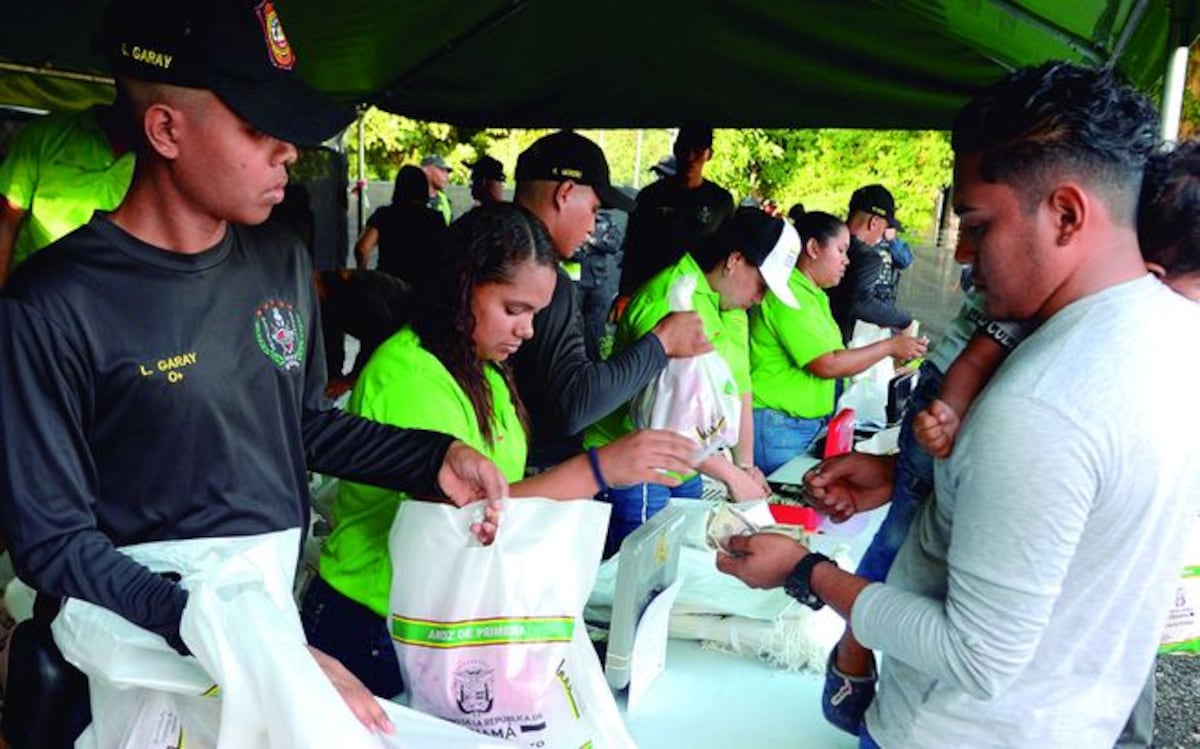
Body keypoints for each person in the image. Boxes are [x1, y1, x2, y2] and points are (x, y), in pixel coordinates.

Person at [0, 1, 507, 743]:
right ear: (166, 129)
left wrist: (432, 458)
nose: (289, 154)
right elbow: (51, 539)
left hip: (263, 617)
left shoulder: (278, 260)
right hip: (131, 653)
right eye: (257, 128)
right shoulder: (54, 302)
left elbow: (300, 423)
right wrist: (228, 636)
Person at [718, 62, 1200, 748]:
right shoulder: (1177, 335)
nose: (966, 254)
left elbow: (976, 655)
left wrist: (803, 570)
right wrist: (918, 475)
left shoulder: (1043, 402)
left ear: (1066, 213)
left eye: (977, 223)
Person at [302, 203, 699, 697]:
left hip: (441, 613)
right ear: (462, 287)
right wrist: (599, 469)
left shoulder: (483, 368)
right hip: (374, 624)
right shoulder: (408, 372)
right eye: (514, 310)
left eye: (535, 313)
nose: (528, 330)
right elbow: (461, 518)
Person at [587, 209, 800, 555]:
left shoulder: (731, 308)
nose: (761, 299)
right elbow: (668, 423)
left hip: (688, 463)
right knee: (638, 574)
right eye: (762, 286)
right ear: (734, 260)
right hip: (635, 461)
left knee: (684, 560)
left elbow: (740, 389)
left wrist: (744, 466)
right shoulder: (672, 298)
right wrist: (731, 476)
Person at [509, 130, 712, 469]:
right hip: (528, 470)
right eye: (594, 209)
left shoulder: (480, 247)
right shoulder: (541, 281)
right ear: (565, 193)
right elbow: (575, 405)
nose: (592, 227)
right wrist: (661, 343)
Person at [748, 211, 926, 475]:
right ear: (813, 248)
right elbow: (826, 363)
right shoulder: (790, 296)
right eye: (841, 251)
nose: (846, 261)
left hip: (799, 425)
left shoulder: (814, 296)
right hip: (779, 427)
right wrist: (890, 347)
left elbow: (835, 356)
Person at [0, 103, 135, 288]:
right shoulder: (48, 133)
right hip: (35, 288)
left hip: (109, 297)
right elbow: (7, 219)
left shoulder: (167, 158)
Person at [618, 121, 735, 296]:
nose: (690, 157)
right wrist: (625, 295)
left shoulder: (720, 201)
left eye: (698, 151)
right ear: (675, 149)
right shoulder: (650, 196)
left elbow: (727, 259)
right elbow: (633, 250)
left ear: (709, 155)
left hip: (696, 296)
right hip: (650, 292)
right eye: (685, 149)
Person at [828, 184, 914, 344]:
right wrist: (904, 321)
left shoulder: (824, 241)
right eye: (884, 228)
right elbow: (859, 302)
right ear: (874, 222)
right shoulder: (866, 256)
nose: (882, 235)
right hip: (831, 345)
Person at [352, 164, 447, 282]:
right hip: (424, 289)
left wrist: (362, 274)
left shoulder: (384, 215)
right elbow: (445, 255)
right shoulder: (435, 219)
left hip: (389, 286)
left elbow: (362, 248)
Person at [421, 154, 453, 224]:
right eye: (442, 171)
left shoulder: (445, 201)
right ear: (426, 170)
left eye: (447, 172)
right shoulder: (411, 198)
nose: (446, 176)